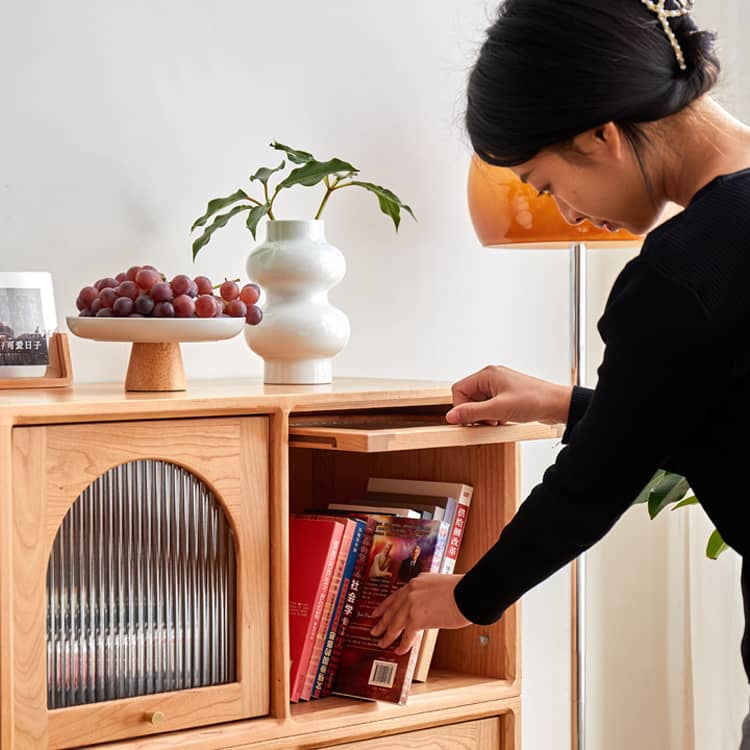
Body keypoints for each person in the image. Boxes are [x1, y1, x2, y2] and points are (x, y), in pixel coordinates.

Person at [370, 0, 750, 745]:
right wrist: (566, 402)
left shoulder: (683, 269)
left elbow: (592, 485)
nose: (569, 214)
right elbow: (719, 418)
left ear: (600, 136)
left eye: (543, 183)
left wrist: (473, 597)